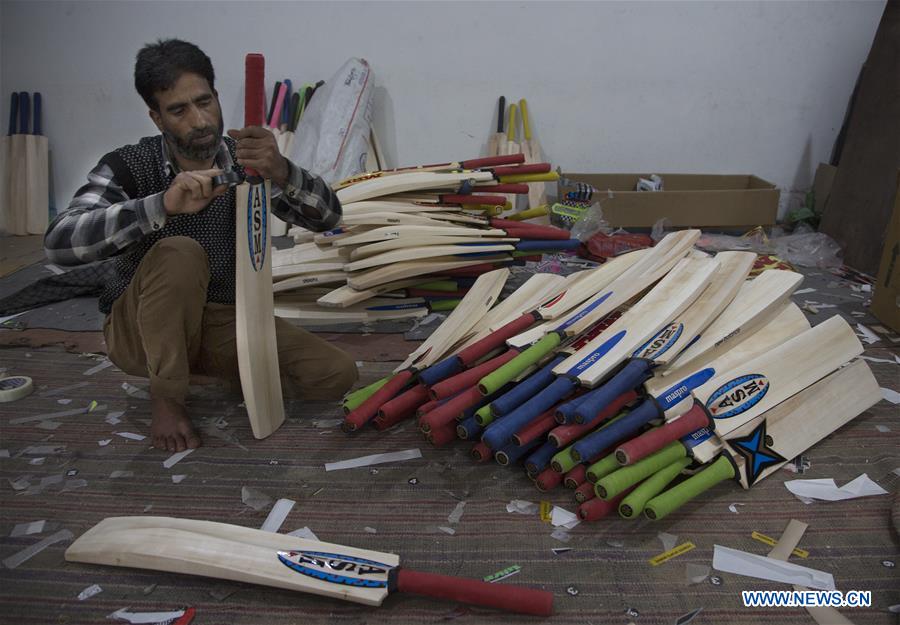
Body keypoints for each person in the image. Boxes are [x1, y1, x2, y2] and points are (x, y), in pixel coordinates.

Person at [44, 39, 358, 452]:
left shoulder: (246, 164)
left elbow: (330, 218)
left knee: (335, 374)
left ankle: (204, 371)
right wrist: (161, 206)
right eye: (179, 110)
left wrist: (281, 170)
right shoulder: (129, 165)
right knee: (180, 252)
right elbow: (59, 244)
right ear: (156, 118)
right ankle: (168, 396)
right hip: (139, 327)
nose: (199, 120)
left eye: (204, 101)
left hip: (219, 322)